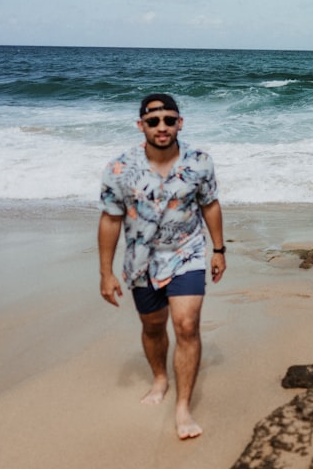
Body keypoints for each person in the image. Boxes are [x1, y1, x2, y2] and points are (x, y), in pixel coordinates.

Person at [97, 93, 225, 440]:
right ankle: (159, 377)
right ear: (142, 126)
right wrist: (105, 273)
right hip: (141, 260)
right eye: (154, 121)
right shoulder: (120, 168)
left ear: (180, 122)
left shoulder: (199, 162)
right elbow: (110, 220)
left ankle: (183, 408)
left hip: (188, 253)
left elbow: (210, 205)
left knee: (186, 325)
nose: (162, 127)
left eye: (169, 119)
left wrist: (218, 249)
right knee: (153, 328)